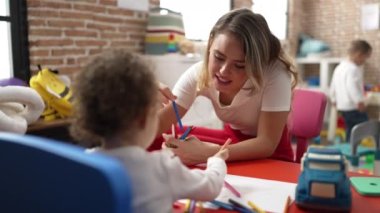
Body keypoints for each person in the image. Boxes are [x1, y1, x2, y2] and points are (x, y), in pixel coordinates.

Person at [70, 49, 229, 213]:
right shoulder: (162, 168)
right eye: (156, 112)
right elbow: (211, 187)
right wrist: (217, 161)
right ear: (143, 119)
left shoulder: (84, 165)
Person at [151, 8, 298, 165]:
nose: (223, 71)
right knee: (165, 139)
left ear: (257, 64)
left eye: (239, 65)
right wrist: (138, 98)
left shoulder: (275, 73)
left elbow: (267, 143)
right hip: (231, 142)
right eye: (218, 57)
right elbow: (160, 123)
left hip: (272, 154)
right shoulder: (199, 73)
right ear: (210, 46)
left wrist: (208, 154)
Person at [330, 39, 372, 141]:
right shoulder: (353, 69)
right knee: (365, 127)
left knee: (351, 129)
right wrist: (359, 101)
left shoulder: (339, 67)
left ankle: (349, 147)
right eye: (365, 58)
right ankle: (356, 148)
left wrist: (333, 99)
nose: (364, 61)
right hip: (353, 107)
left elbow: (333, 85)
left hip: (343, 107)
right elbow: (352, 87)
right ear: (359, 55)